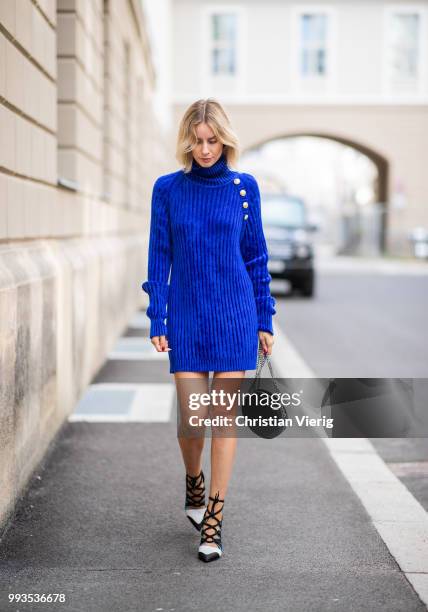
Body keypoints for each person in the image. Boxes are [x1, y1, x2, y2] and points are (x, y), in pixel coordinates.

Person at [142, 98, 276, 562]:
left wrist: (265, 318)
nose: (204, 150)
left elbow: (256, 258)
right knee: (193, 419)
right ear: (186, 141)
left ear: (225, 139)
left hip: (235, 314)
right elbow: (160, 256)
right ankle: (193, 480)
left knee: (223, 420)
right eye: (197, 141)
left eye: (212, 140)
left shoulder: (245, 188)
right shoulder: (168, 190)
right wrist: (157, 315)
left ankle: (214, 520)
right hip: (188, 315)